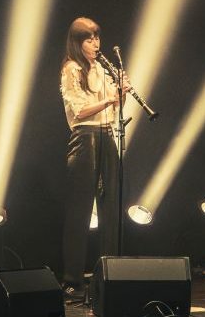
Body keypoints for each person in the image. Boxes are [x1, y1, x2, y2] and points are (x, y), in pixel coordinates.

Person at [59, 17, 130, 301]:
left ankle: (107, 275)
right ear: (77, 43)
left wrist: (121, 94)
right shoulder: (71, 68)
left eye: (97, 38)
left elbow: (112, 112)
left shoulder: (102, 68)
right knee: (80, 211)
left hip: (106, 135)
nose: (95, 44)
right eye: (89, 39)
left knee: (110, 207)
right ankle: (72, 280)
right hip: (84, 138)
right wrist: (110, 99)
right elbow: (79, 110)